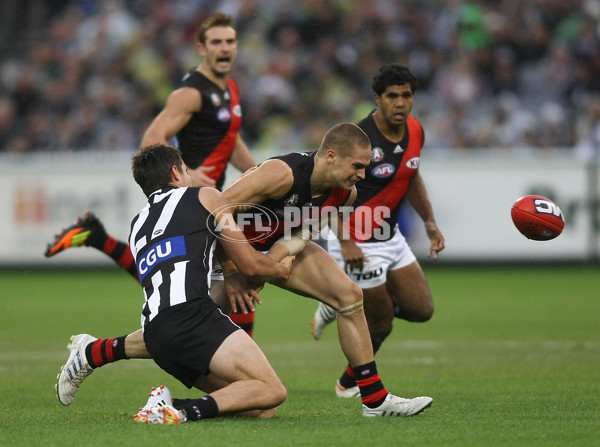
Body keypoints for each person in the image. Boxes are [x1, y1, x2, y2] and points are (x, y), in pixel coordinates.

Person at [56, 123, 433, 419]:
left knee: (349, 296)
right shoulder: (280, 174)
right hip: (229, 250)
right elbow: (214, 210)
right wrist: (233, 268)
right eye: (357, 166)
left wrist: (286, 251)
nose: (362, 176)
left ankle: (374, 398)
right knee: (185, 322)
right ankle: (96, 353)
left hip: (272, 249)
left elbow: (312, 225)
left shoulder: (345, 192)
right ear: (331, 156)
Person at [44, 11, 259, 336]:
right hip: (191, 200)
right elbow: (151, 139)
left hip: (213, 198)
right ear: (202, 48)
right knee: (205, 280)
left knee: (217, 280)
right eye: (216, 42)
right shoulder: (190, 93)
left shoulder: (229, 88)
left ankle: (98, 238)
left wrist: (256, 170)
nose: (224, 47)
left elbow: (231, 137)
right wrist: (188, 172)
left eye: (230, 41)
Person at [68, 143, 292, 423]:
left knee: (260, 406)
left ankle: (166, 404)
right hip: (194, 318)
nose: (190, 177)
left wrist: (229, 270)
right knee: (272, 390)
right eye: (187, 171)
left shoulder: (137, 225)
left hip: (155, 335)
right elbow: (252, 264)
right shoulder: (205, 196)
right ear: (176, 172)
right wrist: (281, 268)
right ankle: (181, 413)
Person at [310, 64, 445, 398]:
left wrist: (429, 221)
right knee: (382, 322)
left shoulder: (416, 130)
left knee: (421, 311)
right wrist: (345, 240)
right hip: (354, 239)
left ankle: (337, 304)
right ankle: (348, 382)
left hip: (390, 236)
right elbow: (326, 193)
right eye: (392, 96)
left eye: (407, 95)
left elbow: (411, 175)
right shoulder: (358, 139)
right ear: (377, 99)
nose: (401, 103)